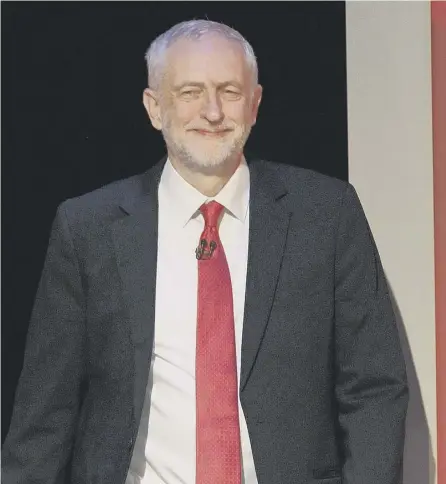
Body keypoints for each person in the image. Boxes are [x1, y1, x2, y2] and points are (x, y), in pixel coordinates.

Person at [2, 19, 408, 484]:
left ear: (254, 104)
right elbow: (43, 419)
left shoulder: (326, 214)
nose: (212, 112)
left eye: (229, 91)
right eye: (190, 92)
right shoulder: (88, 229)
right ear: (155, 108)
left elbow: (374, 387)